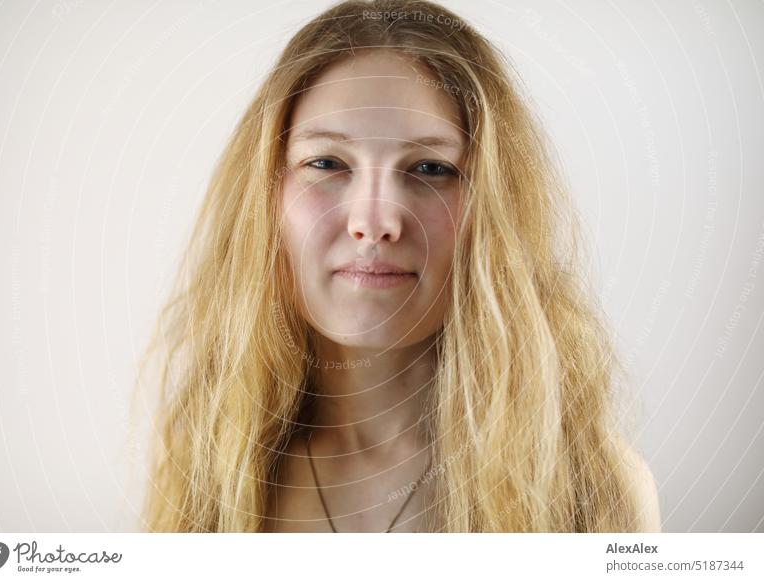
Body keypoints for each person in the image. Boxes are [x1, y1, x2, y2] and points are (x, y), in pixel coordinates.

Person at [138, 0, 661, 533]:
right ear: (265, 196)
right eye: (327, 163)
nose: (376, 220)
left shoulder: (594, 490)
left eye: (431, 168)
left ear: (494, 209)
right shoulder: (207, 473)